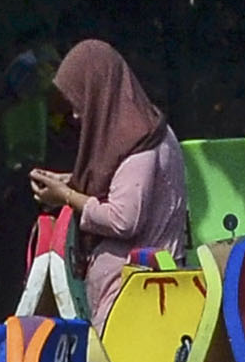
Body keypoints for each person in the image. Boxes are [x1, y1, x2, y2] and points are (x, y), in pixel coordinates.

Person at [25, 40, 187, 284]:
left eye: (81, 101)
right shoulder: (138, 133)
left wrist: (66, 196)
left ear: (99, 92)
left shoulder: (139, 142)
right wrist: (69, 180)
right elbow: (120, 182)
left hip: (141, 294)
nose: (77, 115)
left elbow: (122, 220)